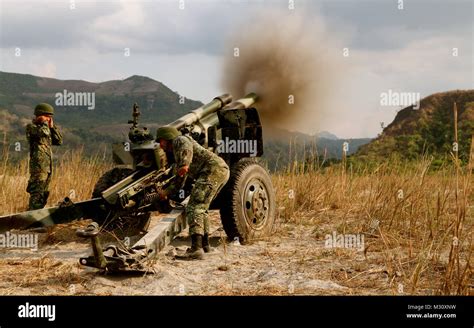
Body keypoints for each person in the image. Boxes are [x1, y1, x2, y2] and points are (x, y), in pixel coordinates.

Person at [156, 126, 229, 260]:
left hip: (211, 171)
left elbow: (184, 163)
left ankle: (196, 249)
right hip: (219, 170)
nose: (160, 145)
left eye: (161, 141)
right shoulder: (177, 149)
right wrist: (166, 192)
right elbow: (181, 180)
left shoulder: (179, 140)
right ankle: (205, 246)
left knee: (194, 207)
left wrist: (184, 164)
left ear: (167, 138)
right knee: (202, 208)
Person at [26, 103, 62, 210]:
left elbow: (59, 141)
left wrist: (53, 127)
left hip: (47, 168)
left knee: (44, 194)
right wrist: (45, 124)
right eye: (47, 117)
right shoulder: (32, 127)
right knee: (37, 193)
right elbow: (44, 133)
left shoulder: (47, 128)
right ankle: (32, 218)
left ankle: (37, 216)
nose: (49, 119)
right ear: (40, 115)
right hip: (38, 168)